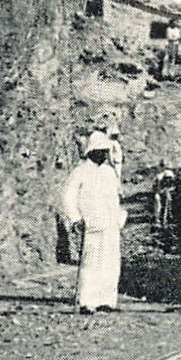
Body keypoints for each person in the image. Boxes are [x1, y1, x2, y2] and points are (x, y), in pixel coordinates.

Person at [60, 132, 127, 314]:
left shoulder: (109, 172)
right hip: (91, 225)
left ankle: (107, 301)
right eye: (100, 150)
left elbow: (116, 199)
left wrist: (119, 220)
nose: (103, 154)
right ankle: (86, 302)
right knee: (90, 263)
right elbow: (68, 196)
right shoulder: (80, 171)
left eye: (105, 151)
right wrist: (75, 218)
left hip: (110, 225)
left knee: (111, 264)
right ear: (91, 150)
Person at [152, 161, 177, 229]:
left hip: (165, 191)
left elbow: (169, 184)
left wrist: (167, 189)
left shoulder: (167, 174)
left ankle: (167, 218)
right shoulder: (159, 175)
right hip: (160, 191)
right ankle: (158, 220)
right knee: (158, 203)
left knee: (167, 202)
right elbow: (155, 186)